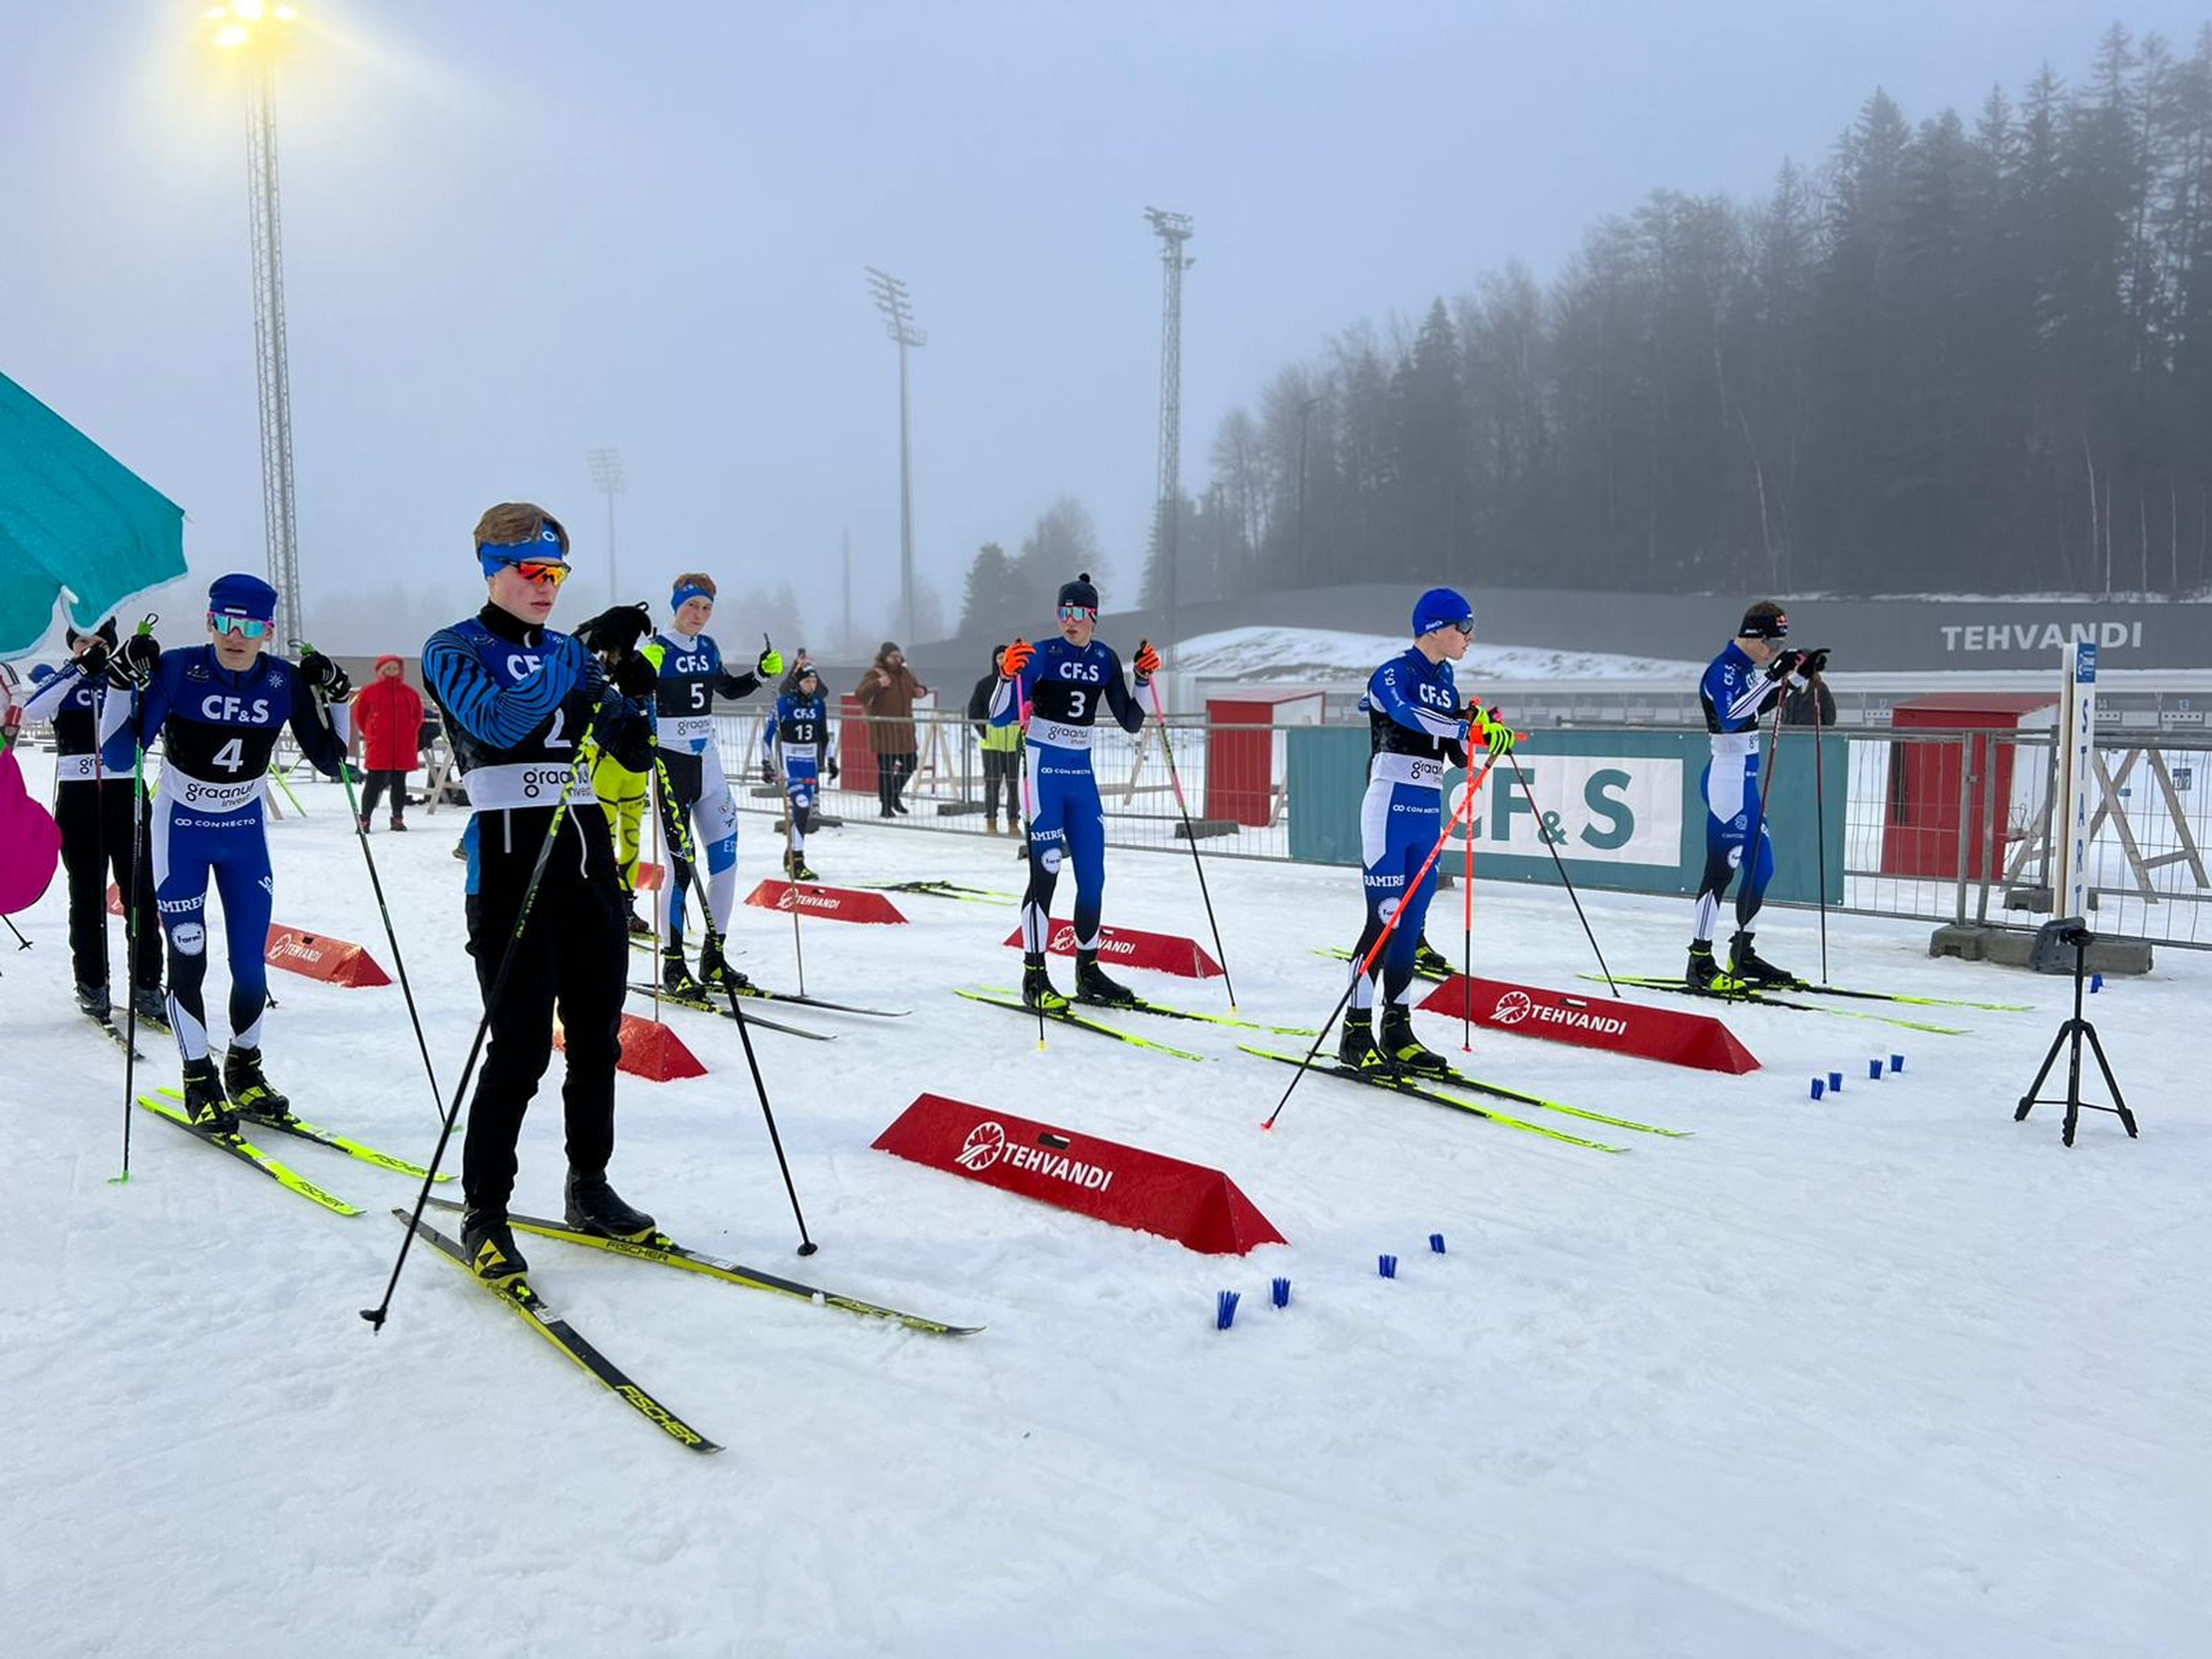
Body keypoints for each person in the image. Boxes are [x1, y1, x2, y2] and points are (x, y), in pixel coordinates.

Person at [420, 503, 661, 1282]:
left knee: (597, 1042)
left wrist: (632, 693)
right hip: (510, 862)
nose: (547, 586)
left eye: (557, 573)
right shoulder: (455, 647)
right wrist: (579, 663)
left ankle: (588, 1186)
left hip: (587, 862)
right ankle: (485, 1210)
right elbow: (501, 723)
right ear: (491, 567)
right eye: (532, 572)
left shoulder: (570, 651)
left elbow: (624, 739)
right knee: (520, 1050)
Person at [101, 575, 352, 1129]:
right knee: (189, 957)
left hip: (244, 834)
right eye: (226, 623)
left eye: (252, 626)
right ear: (210, 622)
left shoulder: (283, 681)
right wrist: (121, 684)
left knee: (250, 965)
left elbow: (335, 762)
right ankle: (197, 1077)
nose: (237, 637)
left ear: (268, 631)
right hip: (180, 830)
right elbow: (119, 756)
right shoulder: (177, 669)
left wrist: (338, 698)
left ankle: (245, 1069)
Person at [1336, 588, 1515, 1075]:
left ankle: (1397, 1030)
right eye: (1464, 627)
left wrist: (1481, 730)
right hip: (1389, 809)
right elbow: (1405, 715)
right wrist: (1461, 729)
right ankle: (1354, 1033)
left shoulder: (1448, 680)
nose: (1469, 638)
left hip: (1426, 810)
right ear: (1436, 627)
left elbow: (1453, 753)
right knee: (1383, 922)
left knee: (1410, 928)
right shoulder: (1394, 673)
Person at [988, 574, 1157, 1012]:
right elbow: (998, 718)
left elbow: (1131, 720)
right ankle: (1034, 975)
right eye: (1064, 612)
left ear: (1094, 617)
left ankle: (1088, 970)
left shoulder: (1103, 659)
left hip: (1081, 777)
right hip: (1045, 772)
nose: (1070, 620)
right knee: (1045, 871)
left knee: (1093, 878)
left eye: (1079, 612)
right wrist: (1007, 676)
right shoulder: (1045, 653)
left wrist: (1140, 677)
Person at [16, 619, 164, 1025]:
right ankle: (92, 985)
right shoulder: (63, 676)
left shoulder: (127, 679)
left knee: (141, 896)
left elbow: (161, 716)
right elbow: (32, 710)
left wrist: (143, 669)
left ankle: (148, 986)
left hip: (124, 795)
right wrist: (79, 669)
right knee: (86, 896)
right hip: (80, 798)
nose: (91, 648)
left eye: (99, 643)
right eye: (82, 641)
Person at [644, 574, 781, 996]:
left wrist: (758, 674)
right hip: (671, 766)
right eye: (691, 607)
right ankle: (672, 963)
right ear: (676, 606)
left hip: (709, 766)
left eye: (705, 608)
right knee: (681, 870)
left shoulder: (707, 648)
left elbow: (728, 689)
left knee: (726, 865)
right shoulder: (657, 649)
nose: (698, 616)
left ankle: (714, 958)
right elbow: (629, 698)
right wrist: (637, 674)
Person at [1687, 601, 1828, 989]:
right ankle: (1699, 959)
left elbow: (1761, 706)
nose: (1775, 651)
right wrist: (1772, 677)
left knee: (1762, 868)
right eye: (1772, 644)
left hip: (1746, 783)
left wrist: (1798, 677)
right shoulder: (1722, 670)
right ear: (1752, 637)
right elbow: (1733, 716)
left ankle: (1742, 952)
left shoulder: (1750, 670)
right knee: (1722, 869)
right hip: (1727, 782)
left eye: (1781, 644)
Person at [574, 601, 656, 935]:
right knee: (601, 838)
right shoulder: (592, 665)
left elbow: (648, 709)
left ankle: (626, 904)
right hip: (603, 763)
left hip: (633, 766)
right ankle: (600, 901)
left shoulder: (640, 667)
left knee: (632, 837)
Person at [760, 661, 837, 880]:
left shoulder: (818, 704)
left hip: (810, 765)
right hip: (790, 764)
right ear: (798, 682)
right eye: (807, 681)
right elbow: (767, 736)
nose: (811, 685)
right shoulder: (784, 703)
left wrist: (831, 760)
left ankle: (791, 852)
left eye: (814, 681)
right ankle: (797, 859)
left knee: (802, 816)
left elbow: (823, 735)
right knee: (802, 807)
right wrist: (767, 764)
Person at [350, 654, 425, 833]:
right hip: (379, 745)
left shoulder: (409, 693)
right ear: (381, 671)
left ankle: (397, 817)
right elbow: (360, 715)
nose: (392, 672)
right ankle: (365, 819)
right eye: (388, 669)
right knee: (373, 783)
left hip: (403, 746)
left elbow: (418, 716)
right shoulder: (369, 692)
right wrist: (371, 732)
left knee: (399, 783)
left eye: (395, 668)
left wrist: (408, 732)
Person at [856, 641, 928, 817]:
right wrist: (878, 684)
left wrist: (921, 691)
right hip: (885, 730)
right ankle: (886, 805)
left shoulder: (906, 673)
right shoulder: (875, 674)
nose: (896, 659)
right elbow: (860, 694)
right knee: (886, 769)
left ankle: (894, 795)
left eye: (898, 655)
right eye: (892, 656)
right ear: (884, 657)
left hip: (904, 730)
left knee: (910, 763)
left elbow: (916, 688)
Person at [968, 644, 1023, 834]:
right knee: (992, 783)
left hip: (1015, 744)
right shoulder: (984, 684)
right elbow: (974, 710)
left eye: (1005, 657)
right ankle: (991, 820)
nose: (1002, 661)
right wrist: (984, 731)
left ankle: (1013, 822)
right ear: (994, 660)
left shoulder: (1020, 684)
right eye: (999, 657)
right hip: (992, 744)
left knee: (1015, 785)